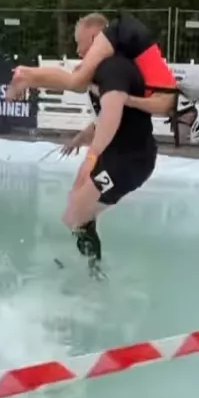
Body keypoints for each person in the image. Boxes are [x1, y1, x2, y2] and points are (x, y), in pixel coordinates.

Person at [7, 12, 199, 144]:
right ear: (190, 117)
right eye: (187, 131)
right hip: (126, 35)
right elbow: (126, 102)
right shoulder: (166, 103)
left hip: (129, 37)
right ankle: (25, 75)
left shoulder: (169, 97)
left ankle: (28, 77)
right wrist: (110, 94)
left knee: (78, 80)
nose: (182, 134)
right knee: (76, 82)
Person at [57, 52, 163, 274]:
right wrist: (79, 139)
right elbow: (100, 122)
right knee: (74, 209)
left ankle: (94, 268)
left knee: (76, 215)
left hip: (127, 161)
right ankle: (89, 257)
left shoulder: (109, 85)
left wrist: (91, 154)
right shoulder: (97, 89)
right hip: (114, 154)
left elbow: (111, 119)